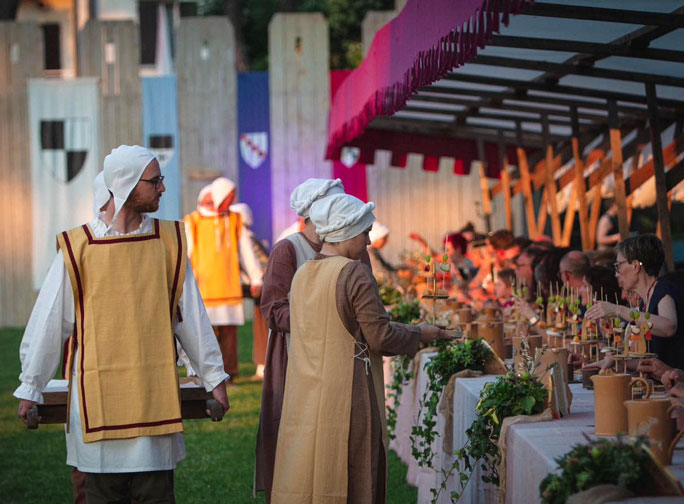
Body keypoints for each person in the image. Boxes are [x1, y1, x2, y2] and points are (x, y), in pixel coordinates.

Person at [15, 145, 229, 503]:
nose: (163, 188)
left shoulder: (169, 242)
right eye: (156, 181)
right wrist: (31, 385)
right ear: (128, 185)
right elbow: (51, 321)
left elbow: (190, 318)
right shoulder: (78, 246)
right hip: (98, 410)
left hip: (155, 405)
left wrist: (214, 378)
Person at [271, 193, 449, 504]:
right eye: (365, 232)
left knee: (315, 466)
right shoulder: (353, 272)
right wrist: (421, 333)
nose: (368, 241)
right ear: (348, 231)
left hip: (306, 389)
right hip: (349, 391)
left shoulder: (303, 274)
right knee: (356, 471)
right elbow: (380, 336)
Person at [254, 178, 346, 502]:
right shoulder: (289, 249)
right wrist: (325, 319)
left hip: (340, 360)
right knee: (295, 439)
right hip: (295, 360)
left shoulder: (350, 245)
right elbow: (273, 310)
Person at [184, 178, 263, 383]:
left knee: (229, 336)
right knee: (206, 335)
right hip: (203, 290)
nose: (232, 200)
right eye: (229, 196)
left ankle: (229, 375)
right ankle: (207, 375)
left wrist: (256, 278)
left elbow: (247, 252)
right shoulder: (192, 221)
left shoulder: (235, 220)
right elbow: (187, 254)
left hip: (228, 288)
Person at [586, 234, 684, 370]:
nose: (616, 274)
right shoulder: (645, 302)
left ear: (636, 266)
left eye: (618, 265)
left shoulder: (663, 289)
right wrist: (616, 363)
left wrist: (618, 310)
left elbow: (668, 327)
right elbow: (650, 362)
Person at [231, 202, 270, 381]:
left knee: (262, 326)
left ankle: (263, 366)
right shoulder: (249, 236)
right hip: (257, 285)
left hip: (259, 287)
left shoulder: (243, 235)